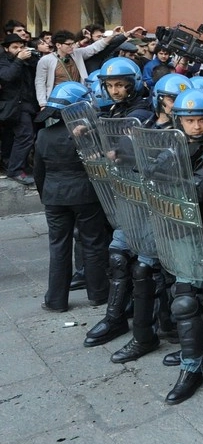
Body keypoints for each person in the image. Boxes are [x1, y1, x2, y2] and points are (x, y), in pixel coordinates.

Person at [156, 89, 203, 404]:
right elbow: (152, 176)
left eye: (200, 120)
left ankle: (192, 368)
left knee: (186, 300)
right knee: (188, 294)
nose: (195, 126)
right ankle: (201, 347)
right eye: (189, 120)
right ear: (178, 120)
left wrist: (168, 179)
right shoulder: (172, 143)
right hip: (176, 228)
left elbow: (196, 191)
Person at [83, 57, 156, 349]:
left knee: (142, 265)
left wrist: (110, 147)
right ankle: (115, 316)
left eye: (121, 85)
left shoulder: (140, 112)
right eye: (110, 85)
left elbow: (127, 146)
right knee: (117, 256)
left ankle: (143, 328)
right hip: (125, 194)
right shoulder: (116, 110)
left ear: (133, 84)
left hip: (144, 195)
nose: (115, 90)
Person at [34, 82, 109, 312]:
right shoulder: (88, 134)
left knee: (58, 246)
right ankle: (98, 294)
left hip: (54, 196)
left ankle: (56, 300)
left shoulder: (44, 135)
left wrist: (46, 195)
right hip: (85, 195)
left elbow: (39, 172)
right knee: (93, 243)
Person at [0, 33, 39, 185]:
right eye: (15, 47)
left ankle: (15, 165)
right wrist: (18, 59)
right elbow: (7, 77)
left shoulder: (26, 60)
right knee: (25, 136)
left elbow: (38, 70)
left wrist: (32, 57)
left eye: (21, 47)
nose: (19, 50)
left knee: (14, 137)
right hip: (12, 106)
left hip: (27, 104)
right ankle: (15, 170)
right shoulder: (4, 61)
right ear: (6, 48)